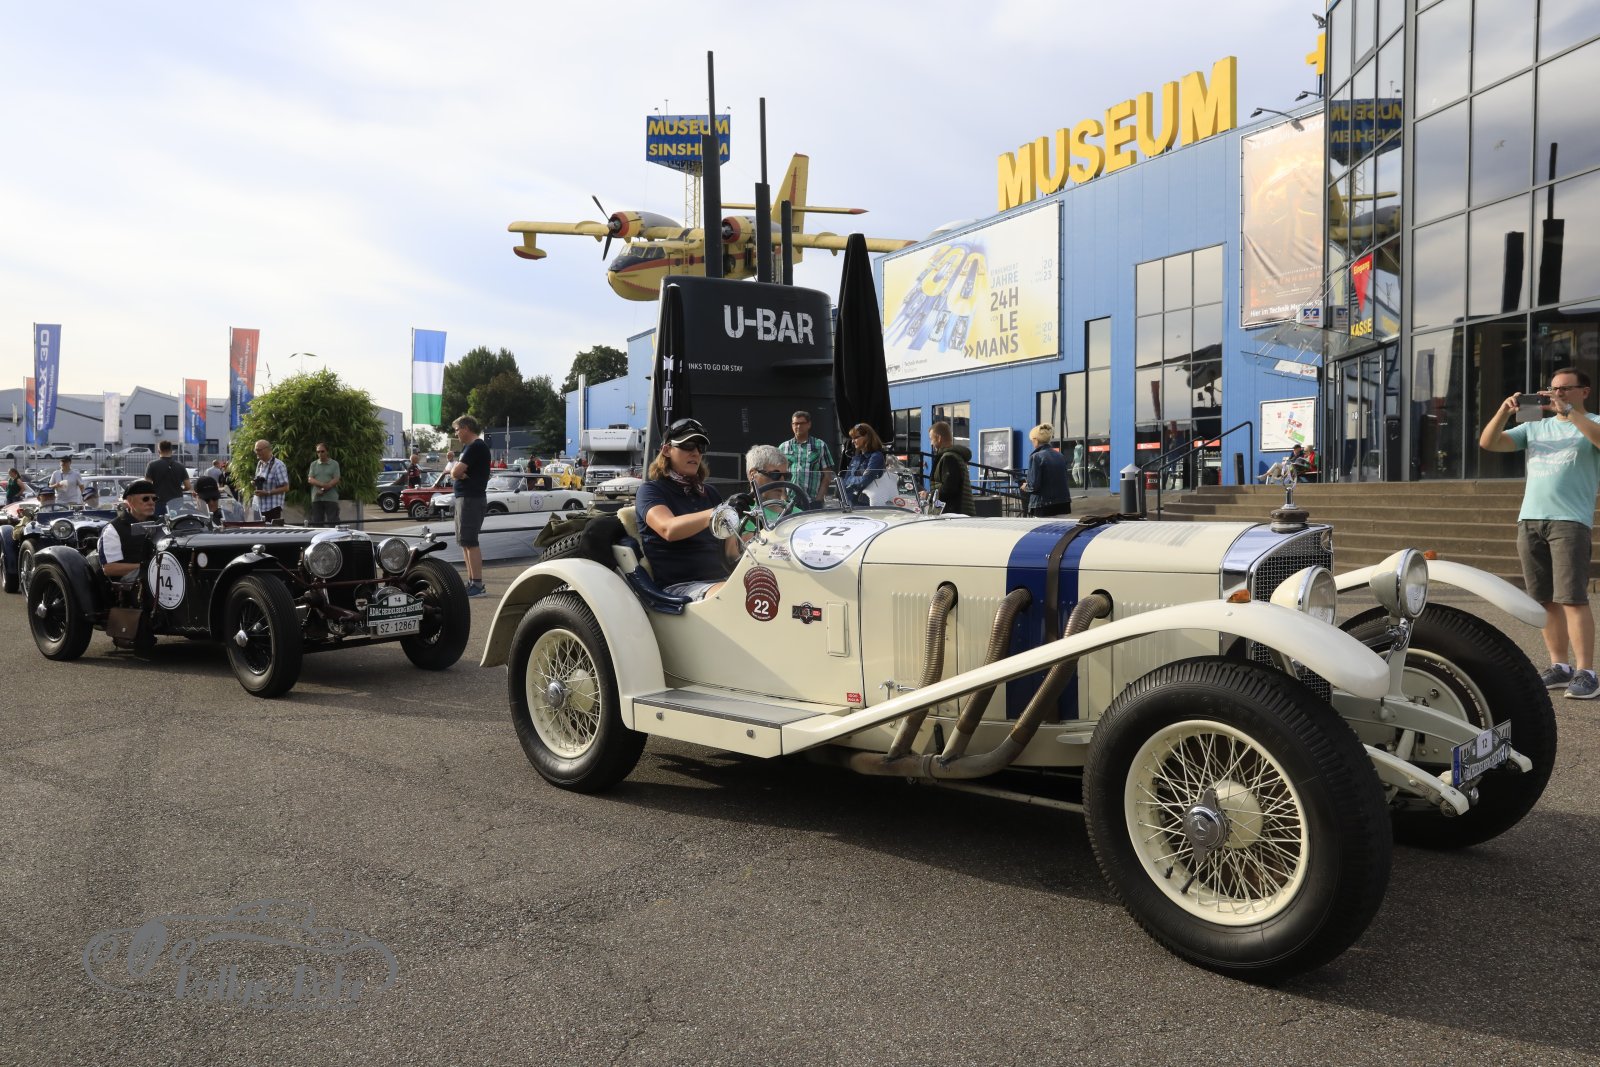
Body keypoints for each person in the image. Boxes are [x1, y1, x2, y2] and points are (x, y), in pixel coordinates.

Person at [1480, 366, 1600, 700]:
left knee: (1572, 598)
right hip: (1530, 519)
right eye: (1552, 388)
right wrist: (1504, 412)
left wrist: (1570, 412)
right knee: (1544, 599)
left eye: (1565, 388)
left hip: (1570, 521)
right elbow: (1489, 443)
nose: (1556, 394)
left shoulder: (1592, 422)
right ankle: (1560, 666)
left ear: (1584, 392)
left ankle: (1587, 672)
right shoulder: (1535, 427)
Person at [636, 418, 734, 600]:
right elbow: (668, 528)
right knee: (736, 595)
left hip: (721, 580)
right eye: (687, 445)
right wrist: (716, 513)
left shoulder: (710, 492)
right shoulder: (650, 490)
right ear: (666, 450)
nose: (695, 453)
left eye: (700, 447)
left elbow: (731, 551)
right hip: (679, 586)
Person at [450, 415, 491, 597]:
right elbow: (456, 472)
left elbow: (455, 471)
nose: (456, 433)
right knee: (465, 542)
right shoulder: (469, 447)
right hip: (466, 498)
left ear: (466, 428)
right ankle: (472, 582)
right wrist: (458, 473)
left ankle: (477, 585)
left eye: (457, 429)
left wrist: (458, 473)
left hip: (471, 499)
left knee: (470, 542)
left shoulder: (476, 446)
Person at [97, 478, 159, 581]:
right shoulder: (113, 529)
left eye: (154, 499)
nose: (151, 502)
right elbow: (109, 568)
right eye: (145, 499)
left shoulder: (160, 524)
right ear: (130, 501)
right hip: (131, 585)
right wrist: (150, 567)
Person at [737, 444, 796, 537]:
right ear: (753, 475)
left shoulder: (799, 514)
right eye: (775, 475)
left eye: (786, 476)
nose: (782, 481)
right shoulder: (738, 514)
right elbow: (734, 546)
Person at [779, 410, 834, 501]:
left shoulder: (820, 445)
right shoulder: (783, 447)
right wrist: (784, 498)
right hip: (789, 501)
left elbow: (827, 475)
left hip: (812, 501)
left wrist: (819, 499)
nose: (798, 426)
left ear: (809, 424)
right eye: (796, 423)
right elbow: (778, 475)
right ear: (792, 425)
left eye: (802, 423)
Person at [1021, 424, 1072, 517]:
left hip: (1043, 506)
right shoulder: (1060, 455)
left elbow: (1033, 485)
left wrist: (1025, 486)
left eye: (1032, 440)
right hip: (1063, 504)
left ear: (1035, 440)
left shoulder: (1036, 457)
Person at [928, 421, 974, 515]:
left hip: (952, 515)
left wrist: (929, 495)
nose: (931, 443)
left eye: (931, 439)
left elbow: (949, 489)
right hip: (960, 514)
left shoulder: (949, 458)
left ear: (939, 438)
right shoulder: (956, 457)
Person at [841, 423, 887, 504]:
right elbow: (845, 480)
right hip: (851, 501)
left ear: (867, 437)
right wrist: (852, 480)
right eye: (852, 438)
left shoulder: (876, 456)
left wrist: (850, 479)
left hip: (867, 503)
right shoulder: (856, 457)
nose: (853, 441)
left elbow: (865, 480)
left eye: (856, 437)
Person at [144, 440, 190, 516]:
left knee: (158, 521)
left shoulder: (152, 465)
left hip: (158, 501)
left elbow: (147, 485)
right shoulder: (180, 466)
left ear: (159, 451)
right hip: (176, 501)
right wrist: (181, 489)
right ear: (171, 451)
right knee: (175, 521)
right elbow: (188, 486)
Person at [251, 439, 289, 522]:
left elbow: (286, 488)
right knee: (257, 530)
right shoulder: (260, 463)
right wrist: (255, 483)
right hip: (258, 506)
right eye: (255, 450)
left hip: (272, 507)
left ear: (268, 449)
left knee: (271, 530)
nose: (257, 452)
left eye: (259, 450)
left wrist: (267, 492)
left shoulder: (278, 465)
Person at [306, 442, 342, 527]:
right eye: (318, 452)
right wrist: (322, 484)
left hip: (331, 497)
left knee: (333, 523)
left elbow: (336, 479)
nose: (320, 453)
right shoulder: (314, 464)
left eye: (322, 451)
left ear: (327, 451)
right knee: (317, 524)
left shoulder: (334, 464)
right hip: (317, 498)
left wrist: (323, 489)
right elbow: (310, 479)